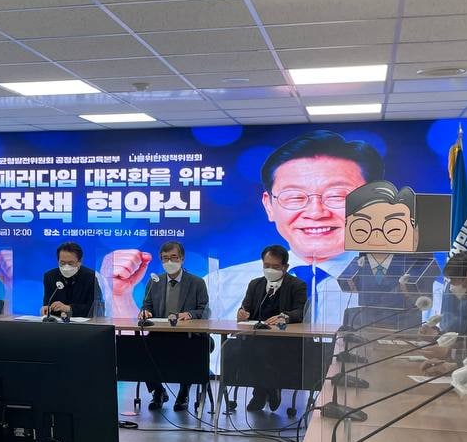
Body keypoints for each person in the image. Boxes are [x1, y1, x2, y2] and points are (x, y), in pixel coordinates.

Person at [126, 131, 384, 323]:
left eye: (337, 196)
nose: (316, 212)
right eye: (295, 197)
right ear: (269, 205)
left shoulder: (397, 288)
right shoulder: (223, 283)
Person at [335, 181, 439, 330]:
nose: (377, 235)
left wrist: (408, 291)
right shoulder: (358, 264)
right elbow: (348, 287)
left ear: (414, 230)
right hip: (364, 324)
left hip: (402, 325)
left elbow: (424, 301)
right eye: (362, 228)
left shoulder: (418, 264)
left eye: (393, 228)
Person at [229, 245, 309, 412]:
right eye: (267, 266)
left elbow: (300, 311)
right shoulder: (255, 284)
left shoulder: (297, 285)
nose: (270, 270)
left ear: (285, 267)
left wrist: (285, 317)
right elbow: (245, 308)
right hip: (255, 337)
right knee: (239, 350)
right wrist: (241, 313)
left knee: (264, 351)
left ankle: (262, 392)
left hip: (284, 340)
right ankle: (268, 389)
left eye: (275, 266)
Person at [136, 241, 210, 411]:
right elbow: (146, 306)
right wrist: (145, 313)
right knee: (141, 348)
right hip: (159, 333)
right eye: (165, 258)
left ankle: (184, 393)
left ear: (182, 258)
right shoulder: (154, 281)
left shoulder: (197, 282)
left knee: (189, 351)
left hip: (187, 335)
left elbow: (204, 310)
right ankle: (158, 391)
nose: (169, 262)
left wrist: (189, 314)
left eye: (173, 257)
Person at [40, 242, 102, 318]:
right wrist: (46, 309)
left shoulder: (91, 277)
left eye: (70, 263)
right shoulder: (50, 276)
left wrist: (69, 308)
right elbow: (48, 303)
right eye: (62, 263)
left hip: (84, 323)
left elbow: (96, 309)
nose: (66, 267)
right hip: (57, 323)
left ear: (80, 261)